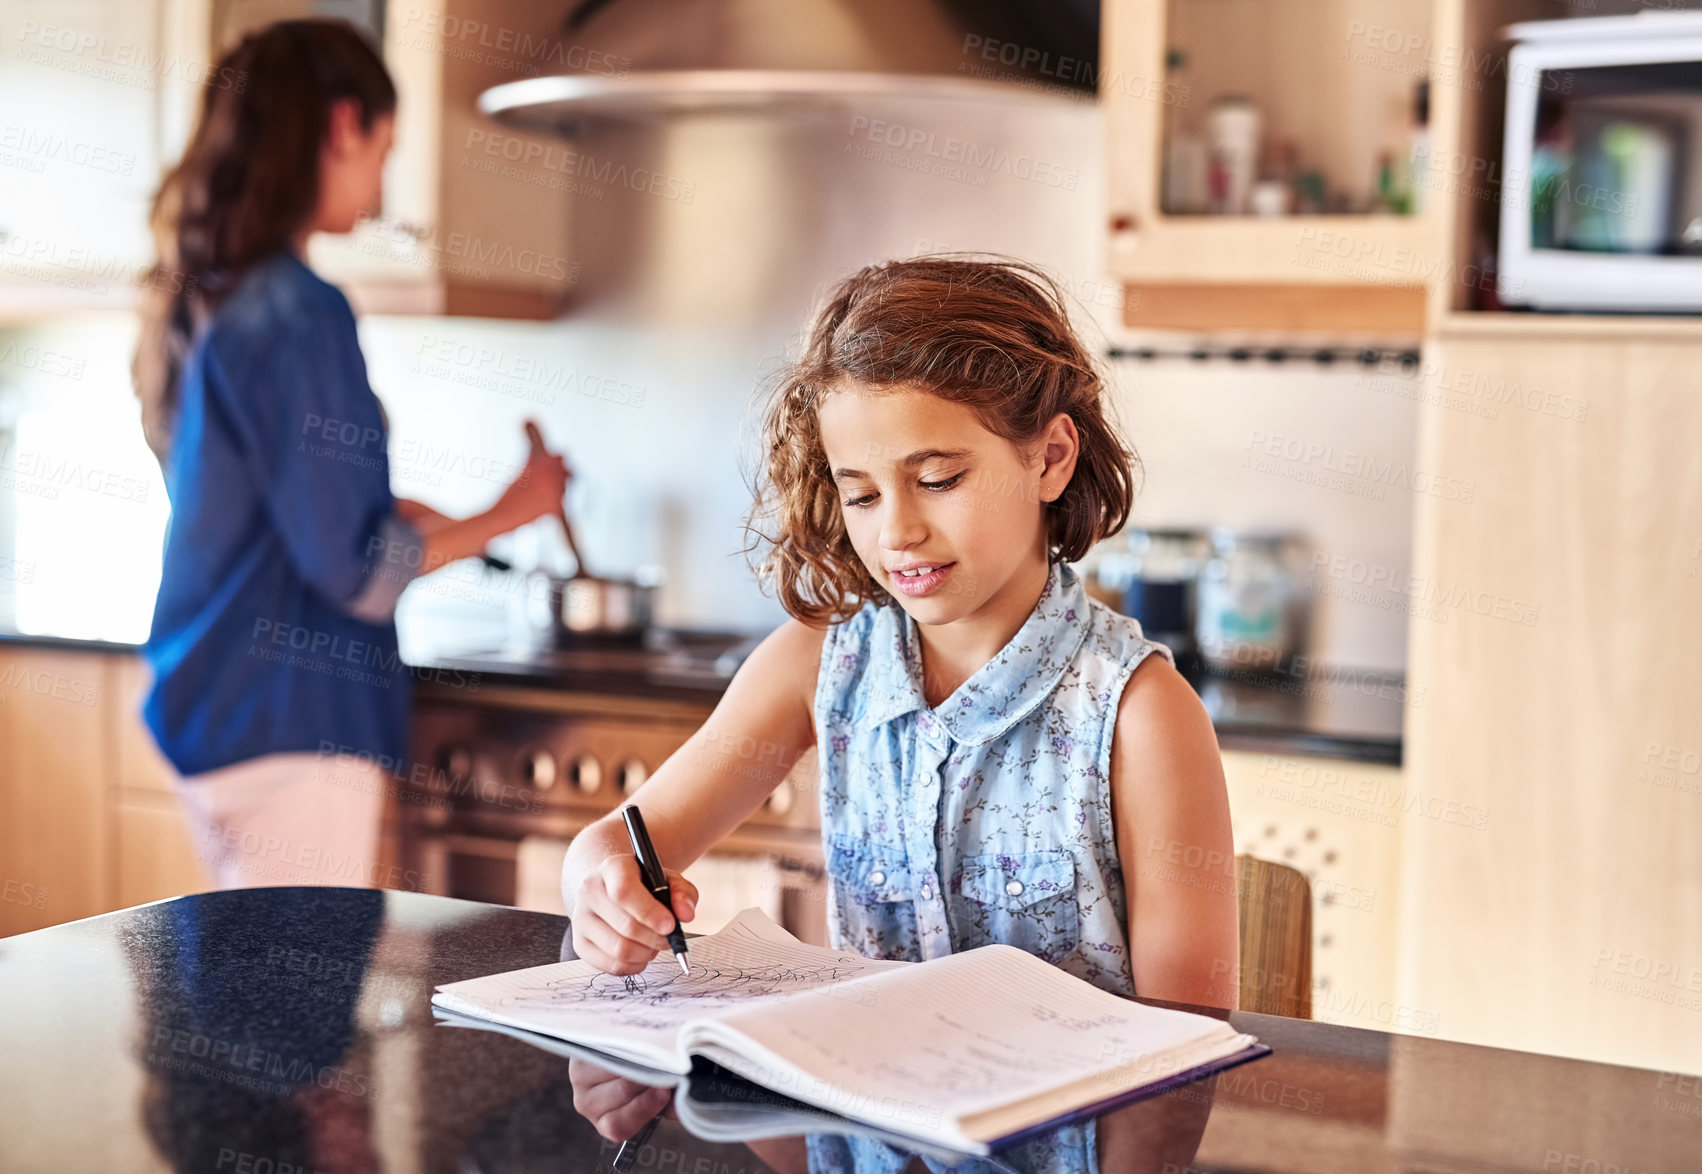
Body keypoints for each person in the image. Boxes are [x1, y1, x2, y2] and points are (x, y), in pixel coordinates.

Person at [559, 256, 1239, 1174]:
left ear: (1050, 457)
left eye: (939, 478)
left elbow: (1180, 1059)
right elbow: (620, 843)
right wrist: (597, 892)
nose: (896, 533)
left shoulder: (1140, 714)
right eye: (863, 492)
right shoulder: (816, 664)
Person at [133, 19, 568, 891]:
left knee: (253, 1015)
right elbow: (356, 570)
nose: (380, 183)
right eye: (385, 146)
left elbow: (285, 515)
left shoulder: (228, 298)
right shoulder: (300, 310)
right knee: (295, 1018)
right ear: (342, 126)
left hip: (222, 712)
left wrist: (420, 519)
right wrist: (516, 508)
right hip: (291, 722)